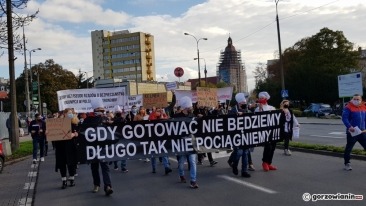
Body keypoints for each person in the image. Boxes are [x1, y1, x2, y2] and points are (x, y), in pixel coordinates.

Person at [82, 104, 114, 196]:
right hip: (92, 147)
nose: (101, 111)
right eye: (100, 109)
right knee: (94, 167)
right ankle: (96, 184)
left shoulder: (105, 119)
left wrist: (112, 121)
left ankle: (108, 186)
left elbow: (112, 129)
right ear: (95, 110)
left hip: (103, 147)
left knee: (105, 166)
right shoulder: (87, 120)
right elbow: (83, 131)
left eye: (102, 110)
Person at [173, 96, 199, 189]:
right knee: (181, 162)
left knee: (192, 161)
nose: (191, 109)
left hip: (191, 142)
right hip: (181, 143)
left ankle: (193, 180)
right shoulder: (176, 117)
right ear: (185, 108)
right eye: (189, 107)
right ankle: (181, 175)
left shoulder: (192, 116)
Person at [54, 108, 79, 189]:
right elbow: (53, 134)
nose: (70, 115)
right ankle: (64, 181)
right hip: (61, 147)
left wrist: (75, 134)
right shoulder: (58, 123)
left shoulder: (74, 123)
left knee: (71, 163)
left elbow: (79, 133)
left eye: (71, 113)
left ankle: (72, 179)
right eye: (68, 113)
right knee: (62, 164)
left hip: (71, 146)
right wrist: (48, 133)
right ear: (64, 114)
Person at [228, 93, 251, 178]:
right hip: (236, 135)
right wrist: (237, 115)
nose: (243, 104)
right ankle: (235, 164)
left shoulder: (247, 109)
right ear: (238, 103)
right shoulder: (233, 110)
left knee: (245, 152)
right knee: (239, 152)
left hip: (245, 134)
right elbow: (228, 120)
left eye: (244, 103)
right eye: (242, 103)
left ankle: (244, 171)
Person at [341, 94, 366, 171]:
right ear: (352, 99)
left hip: (362, 132)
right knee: (349, 148)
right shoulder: (348, 107)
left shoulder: (364, 107)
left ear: (361, 100)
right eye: (354, 99)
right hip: (352, 132)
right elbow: (344, 118)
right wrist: (349, 126)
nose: (356, 101)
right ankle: (347, 163)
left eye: (358, 99)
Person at [255, 91, 277, 171]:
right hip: (264, 131)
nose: (261, 99)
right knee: (268, 146)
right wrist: (260, 109)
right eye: (260, 98)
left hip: (272, 130)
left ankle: (269, 163)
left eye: (262, 98)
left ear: (266, 99)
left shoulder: (271, 107)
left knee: (273, 147)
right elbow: (256, 118)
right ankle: (264, 162)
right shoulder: (257, 109)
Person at [148, 107, 172, 175]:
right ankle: (154, 168)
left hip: (162, 138)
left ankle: (166, 167)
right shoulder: (152, 115)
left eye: (160, 110)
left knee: (164, 152)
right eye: (158, 110)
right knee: (153, 154)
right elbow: (151, 119)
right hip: (154, 138)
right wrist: (155, 113)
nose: (159, 111)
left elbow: (167, 120)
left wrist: (162, 114)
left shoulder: (163, 114)